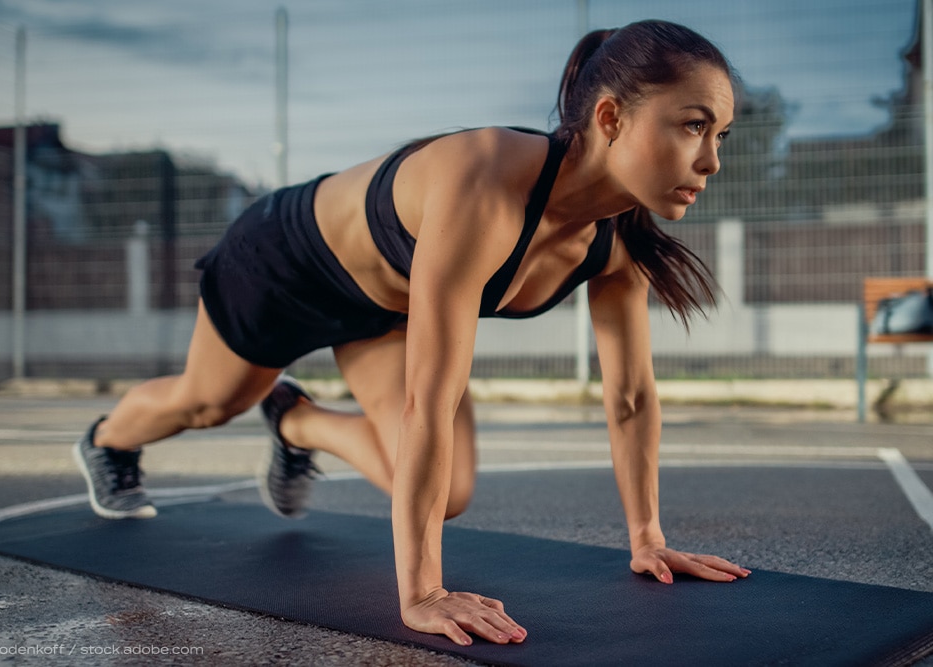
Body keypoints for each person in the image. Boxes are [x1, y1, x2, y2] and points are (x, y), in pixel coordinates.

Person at [74, 19, 751, 647]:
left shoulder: (614, 249)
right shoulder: (483, 182)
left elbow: (630, 397)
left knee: (446, 493)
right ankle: (106, 441)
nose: (711, 160)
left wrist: (647, 536)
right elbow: (430, 399)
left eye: (720, 135)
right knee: (207, 402)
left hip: (383, 308)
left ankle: (294, 422)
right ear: (610, 116)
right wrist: (423, 591)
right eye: (693, 126)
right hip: (284, 264)